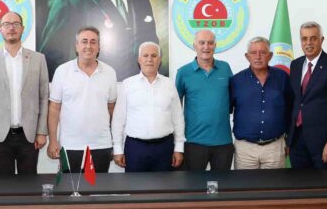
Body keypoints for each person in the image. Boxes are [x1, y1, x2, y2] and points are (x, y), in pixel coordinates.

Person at [0, 11, 50, 175]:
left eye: (16, 24)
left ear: (22, 28)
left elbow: (44, 98)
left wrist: (42, 131)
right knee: (3, 185)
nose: (11, 28)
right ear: (0, 29)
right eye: (7, 24)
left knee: (29, 183)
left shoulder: (38, 59)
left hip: (29, 135)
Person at [47, 27, 118, 174]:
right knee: (70, 187)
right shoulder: (62, 71)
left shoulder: (110, 72)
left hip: (101, 145)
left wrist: (115, 142)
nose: (88, 46)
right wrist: (53, 140)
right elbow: (54, 109)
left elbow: (112, 109)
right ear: (76, 46)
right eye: (84, 41)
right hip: (70, 145)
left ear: (99, 47)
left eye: (93, 42)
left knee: (99, 187)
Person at [112, 42, 185, 172]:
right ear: (139, 60)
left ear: (159, 60)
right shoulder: (128, 84)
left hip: (164, 148)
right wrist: (117, 149)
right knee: (135, 185)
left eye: (154, 55)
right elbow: (118, 120)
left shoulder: (169, 84)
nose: (149, 59)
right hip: (135, 148)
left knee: (164, 185)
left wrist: (179, 147)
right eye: (145, 55)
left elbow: (178, 118)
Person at [286, 21, 327, 171]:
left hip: (323, 143)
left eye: (313, 38)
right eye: (304, 39)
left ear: (321, 40)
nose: (308, 43)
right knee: (298, 184)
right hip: (297, 141)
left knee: (325, 185)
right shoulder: (295, 65)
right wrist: (288, 139)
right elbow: (294, 101)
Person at [175, 30, 234, 171]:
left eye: (210, 43)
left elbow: (233, 98)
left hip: (223, 142)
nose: (206, 47)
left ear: (215, 45)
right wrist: (177, 142)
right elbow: (176, 109)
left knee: (222, 184)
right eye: (202, 43)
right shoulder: (183, 72)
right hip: (193, 142)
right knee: (192, 184)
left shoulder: (225, 68)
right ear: (194, 45)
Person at [229, 37, 291, 169]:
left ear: (270, 55)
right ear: (247, 56)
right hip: (245, 150)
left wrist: (289, 141)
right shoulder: (236, 81)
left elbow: (291, 110)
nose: (258, 57)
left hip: (274, 148)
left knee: (274, 183)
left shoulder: (283, 78)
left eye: (262, 52)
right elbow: (226, 110)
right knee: (245, 183)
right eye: (253, 53)